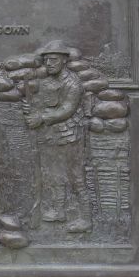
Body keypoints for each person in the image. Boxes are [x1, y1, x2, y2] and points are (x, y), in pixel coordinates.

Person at [23, 41, 92, 232]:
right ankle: (59, 210)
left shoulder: (73, 83)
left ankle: (86, 220)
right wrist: (32, 109)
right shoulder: (47, 83)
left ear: (64, 60)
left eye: (53, 60)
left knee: (76, 177)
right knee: (53, 174)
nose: (49, 63)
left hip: (70, 136)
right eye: (46, 60)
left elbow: (67, 109)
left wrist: (41, 118)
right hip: (51, 135)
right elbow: (42, 104)